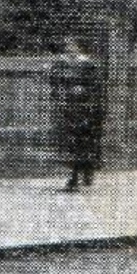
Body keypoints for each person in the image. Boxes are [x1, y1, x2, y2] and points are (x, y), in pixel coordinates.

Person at [49, 39, 106, 192]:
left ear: (79, 48)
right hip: (68, 108)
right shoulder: (60, 64)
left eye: (73, 46)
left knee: (84, 141)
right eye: (67, 47)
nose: (70, 49)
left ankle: (86, 171)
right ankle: (74, 175)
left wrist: (83, 91)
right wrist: (61, 95)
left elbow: (97, 86)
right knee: (70, 143)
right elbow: (54, 83)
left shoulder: (88, 65)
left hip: (86, 108)